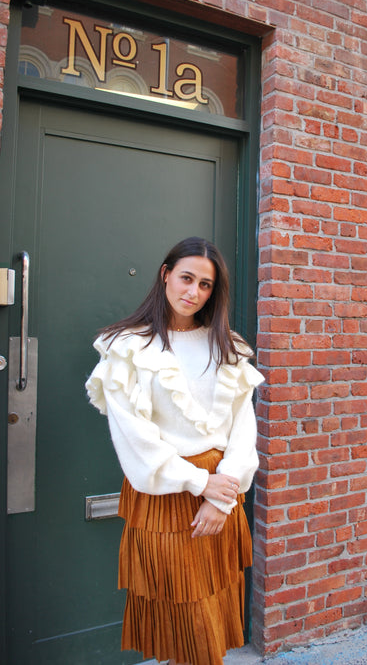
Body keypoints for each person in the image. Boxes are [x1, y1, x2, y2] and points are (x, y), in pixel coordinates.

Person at [85, 236, 264, 665]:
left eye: (205, 285)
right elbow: (135, 440)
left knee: (213, 615)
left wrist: (222, 495)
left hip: (222, 491)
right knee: (176, 620)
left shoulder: (227, 347)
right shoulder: (127, 347)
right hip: (165, 499)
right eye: (186, 278)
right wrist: (201, 484)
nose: (193, 292)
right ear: (165, 275)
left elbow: (243, 430)